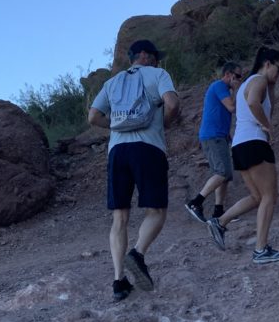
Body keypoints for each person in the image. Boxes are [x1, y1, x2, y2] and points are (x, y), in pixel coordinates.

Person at [88, 39, 180, 300]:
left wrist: (116, 127)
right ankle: (137, 253)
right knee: (157, 211)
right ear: (145, 56)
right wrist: (164, 124)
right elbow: (172, 104)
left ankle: (119, 282)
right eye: (155, 57)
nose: (157, 61)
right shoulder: (158, 74)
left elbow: (93, 116)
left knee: (120, 217)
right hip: (148, 148)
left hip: (117, 152)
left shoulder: (112, 82)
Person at [206, 46, 279, 264]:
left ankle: (220, 222)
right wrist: (267, 127)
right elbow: (254, 103)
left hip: (240, 146)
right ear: (268, 64)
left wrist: (273, 85)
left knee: (257, 197)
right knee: (270, 197)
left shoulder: (250, 82)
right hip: (255, 142)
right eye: (278, 69)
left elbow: (265, 104)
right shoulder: (259, 80)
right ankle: (261, 250)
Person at [185, 61, 243, 223]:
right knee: (222, 173)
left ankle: (218, 211)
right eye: (237, 76)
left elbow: (222, 113)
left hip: (220, 136)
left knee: (225, 175)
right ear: (228, 75)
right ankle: (195, 203)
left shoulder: (224, 89)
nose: (239, 79)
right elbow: (231, 107)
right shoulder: (219, 86)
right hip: (213, 136)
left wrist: (227, 135)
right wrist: (237, 90)